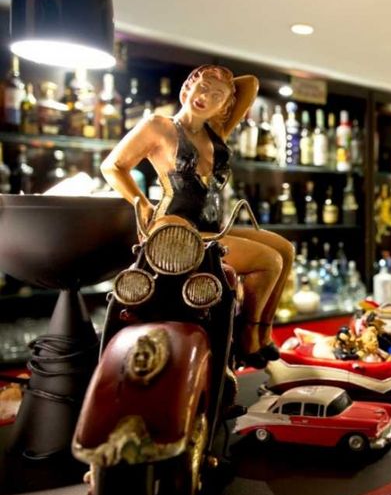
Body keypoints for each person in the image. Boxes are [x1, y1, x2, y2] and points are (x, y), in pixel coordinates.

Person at [101, 65, 294, 369]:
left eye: (217, 96)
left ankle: (263, 332)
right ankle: (246, 335)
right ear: (187, 86)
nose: (206, 97)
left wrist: (222, 87)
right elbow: (112, 166)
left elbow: (251, 84)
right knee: (269, 261)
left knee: (285, 249)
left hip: (211, 228)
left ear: (225, 105)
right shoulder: (158, 126)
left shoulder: (216, 131)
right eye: (202, 87)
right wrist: (141, 202)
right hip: (176, 231)